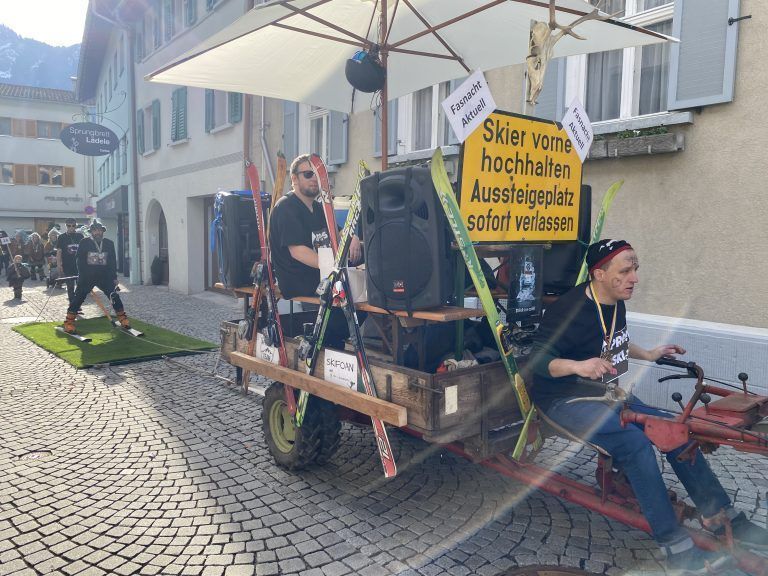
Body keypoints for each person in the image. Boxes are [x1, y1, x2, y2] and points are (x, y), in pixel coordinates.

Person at [529, 239, 768, 574]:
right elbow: (537, 360)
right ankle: (676, 547)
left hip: (604, 392)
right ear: (599, 273)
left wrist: (650, 353)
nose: (635, 278)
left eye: (635, 269)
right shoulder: (568, 310)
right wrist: (578, 366)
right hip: (564, 398)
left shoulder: (615, 302)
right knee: (635, 445)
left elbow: (615, 343)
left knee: (677, 430)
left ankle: (722, 517)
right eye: (625, 270)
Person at [269, 154, 363, 349]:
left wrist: (352, 236)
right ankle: (321, 341)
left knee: (364, 295)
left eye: (318, 175)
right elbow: (298, 252)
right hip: (298, 279)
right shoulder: (286, 207)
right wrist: (334, 268)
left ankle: (327, 341)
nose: (315, 179)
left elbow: (338, 232)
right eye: (308, 174)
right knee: (354, 299)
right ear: (294, 179)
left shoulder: (319, 208)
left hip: (321, 276)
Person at [62, 220, 130, 334]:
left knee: (113, 295)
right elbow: (79, 260)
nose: (97, 232)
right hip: (87, 277)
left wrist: (114, 277)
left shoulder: (109, 243)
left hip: (104, 276)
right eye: (95, 230)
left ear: (102, 231)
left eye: (99, 230)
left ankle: (123, 318)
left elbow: (112, 261)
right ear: (91, 232)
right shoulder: (84, 242)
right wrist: (82, 275)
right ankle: (69, 322)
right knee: (78, 298)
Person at [56, 218, 85, 307]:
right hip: (67, 265)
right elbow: (59, 252)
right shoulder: (61, 237)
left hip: (79, 265)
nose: (71, 227)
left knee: (80, 286)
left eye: (73, 225)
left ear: (76, 226)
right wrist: (59, 264)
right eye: (69, 226)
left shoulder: (80, 236)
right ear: (66, 226)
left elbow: (85, 251)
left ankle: (77, 304)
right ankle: (72, 305)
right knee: (70, 286)